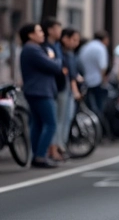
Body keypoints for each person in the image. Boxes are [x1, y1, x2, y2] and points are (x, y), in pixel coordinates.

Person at [19, 23, 63, 168]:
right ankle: (40, 156)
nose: (42, 33)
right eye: (38, 31)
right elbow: (55, 67)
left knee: (37, 124)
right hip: (40, 92)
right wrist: (53, 57)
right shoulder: (32, 49)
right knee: (50, 123)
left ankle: (37, 155)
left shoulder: (31, 49)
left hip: (36, 91)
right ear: (30, 35)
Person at [55, 27, 82, 157]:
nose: (76, 43)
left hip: (67, 89)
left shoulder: (70, 54)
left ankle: (62, 145)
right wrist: (75, 89)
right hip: (62, 88)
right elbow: (69, 74)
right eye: (74, 39)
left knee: (67, 117)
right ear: (65, 38)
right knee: (61, 118)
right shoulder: (59, 51)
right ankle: (59, 146)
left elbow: (72, 73)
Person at [41, 16, 64, 160]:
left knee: (56, 121)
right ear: (50, 30)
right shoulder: (44, 48)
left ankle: (53, 149)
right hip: (49, 89)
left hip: (56, 87)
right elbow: (56, 66)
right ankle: (46, 152)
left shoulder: (56, 46)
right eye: (57, 28)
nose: (59, 31)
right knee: (52, 122)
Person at [78, 31, 110, 115]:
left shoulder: (85, 47)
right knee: (99, 106)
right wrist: (103, 80)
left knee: (88, 107)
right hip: (97, 80)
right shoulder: (101, 48)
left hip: (86, 80)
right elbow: (103, 66)